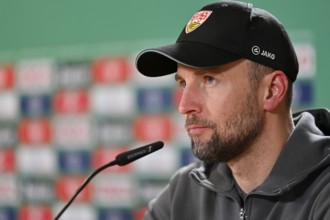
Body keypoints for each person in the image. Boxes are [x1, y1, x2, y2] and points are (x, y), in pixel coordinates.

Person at [135, 1, 330, 219]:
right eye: (182, 83)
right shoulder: (184, 192)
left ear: (273, 91)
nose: (184, 106)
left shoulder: (324, 192)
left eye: (209, 79)